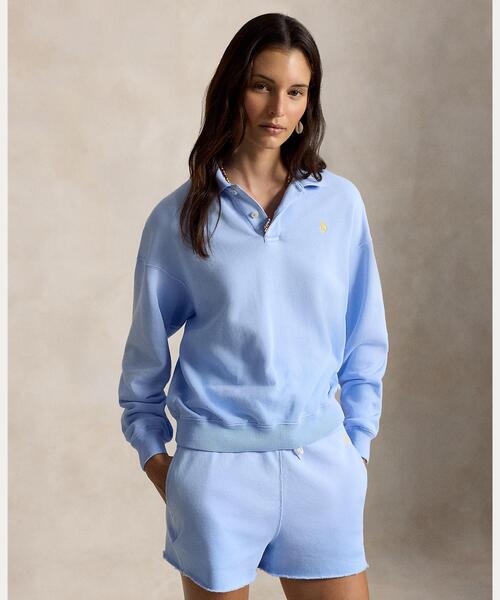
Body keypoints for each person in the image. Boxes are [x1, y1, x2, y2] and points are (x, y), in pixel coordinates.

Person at [118, 12, 389, 600]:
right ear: (232, 89)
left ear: (309, 102)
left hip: (322, 470)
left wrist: (357, 452)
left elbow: (365, 340)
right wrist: (159, 461)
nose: (277, 109)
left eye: (296, 92)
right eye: (262, 86)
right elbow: (143, 361)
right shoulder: (178, 218)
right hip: (217, 478)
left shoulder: (341, 205)